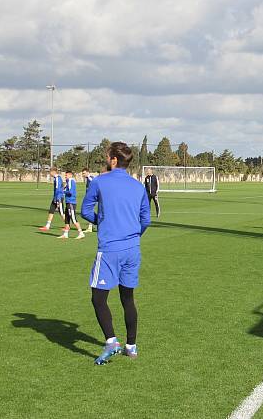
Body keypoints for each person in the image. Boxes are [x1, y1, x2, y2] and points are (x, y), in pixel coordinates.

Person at [81, 142, 151, 365]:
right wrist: (131, 233)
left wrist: (102, 222)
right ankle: (131, 346)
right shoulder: (138, 186)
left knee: (98, 298)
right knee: (127, 298)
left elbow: (85, 211)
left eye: (106, 155)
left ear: (113, 160)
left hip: (110, 249)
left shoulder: (99, 182)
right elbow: (145, 220)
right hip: (133, 249)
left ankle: (111, 340)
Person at [59, 170, 86, 240]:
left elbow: (70, 192)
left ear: (70, 175)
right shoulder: (68, 182)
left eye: (66, 175)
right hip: (68, 202)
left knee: (73, 219)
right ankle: (65, 234)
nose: (65, 176)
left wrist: (64, 191)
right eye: (65, 175)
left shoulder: (71, 181)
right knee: (67, 219)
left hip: (71, 202)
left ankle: (81, 233)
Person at [39, 167, 65, 232]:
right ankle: (47, 226)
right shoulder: (56, 178)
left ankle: (67, 226)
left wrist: (58, 199)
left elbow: (58, 189)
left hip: (58, 198)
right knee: (51, 210)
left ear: (53, 172)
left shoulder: (57, 178)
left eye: (50, 172)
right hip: (55, 198)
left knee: (61, 212)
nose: (49, 173)